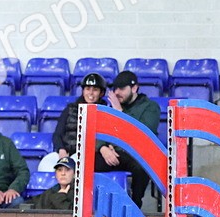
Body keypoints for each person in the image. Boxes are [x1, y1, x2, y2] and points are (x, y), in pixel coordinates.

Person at [95, 70, 160, 205]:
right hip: (114, 153)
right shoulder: (111, 107)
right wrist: (103, 148)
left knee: (142, 166)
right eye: (115, 88)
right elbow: (100, 130)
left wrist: (120, 112)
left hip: (137, 154)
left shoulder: (150, 107)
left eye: (122, 88)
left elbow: (144, 134)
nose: (117, 92)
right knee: (87, 161)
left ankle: (135, 205)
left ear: (134, 88)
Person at [51, 72, 106, 164]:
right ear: (83, 91)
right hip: (66, 152)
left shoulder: (106, 112)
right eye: (88, 89)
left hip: (90, 156)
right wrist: (61, 149)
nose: (91, 93)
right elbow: (57, 134)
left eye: (95, 90)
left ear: (101, 93)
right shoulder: (70, 109)